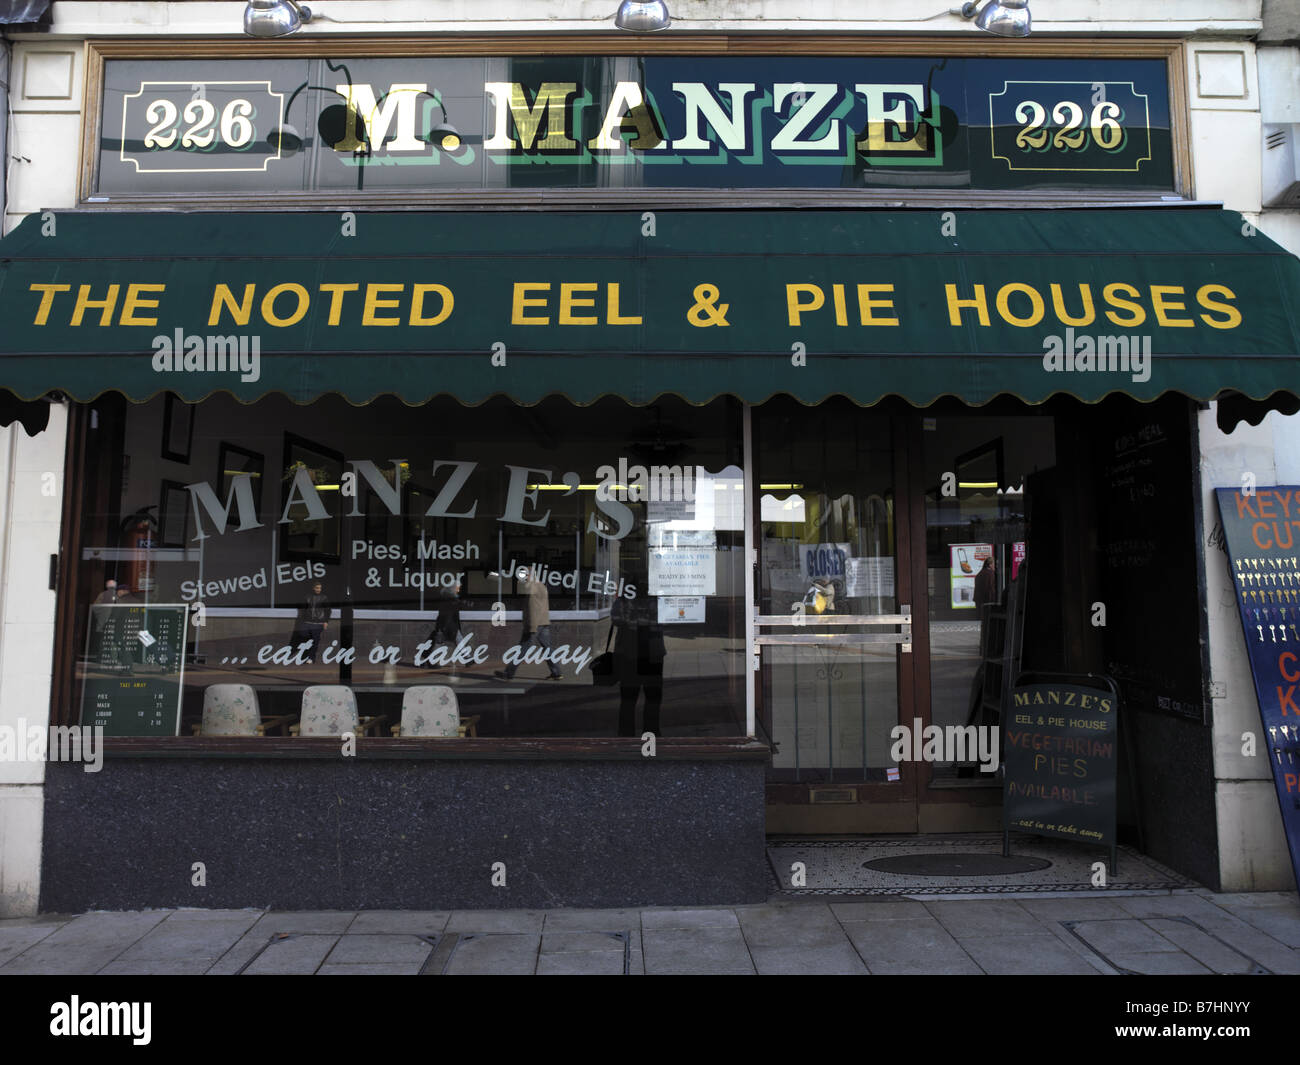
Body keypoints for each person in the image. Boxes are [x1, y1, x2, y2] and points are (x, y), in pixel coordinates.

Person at [612, 580, 665, 737]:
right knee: (653, 697)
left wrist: (632, 619)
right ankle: (652, 732)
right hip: (652, 651)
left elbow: (615, 619)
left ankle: (626, 734)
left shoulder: (623, 600)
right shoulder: (656, 600)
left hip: (629, 650)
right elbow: (665, 619)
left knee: (628, 697)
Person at [496, 567, 561, 680]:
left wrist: (531, 626)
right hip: (543, 621)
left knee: (522, 649)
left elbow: (532, 608)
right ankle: (556, 672)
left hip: (534, 624)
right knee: (547, 648)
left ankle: (508, 674)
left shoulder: (531, 587)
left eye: (523, 575)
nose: (522, 578)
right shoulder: (541, 585)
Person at [293, 581, 331, 663]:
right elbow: (303, 610)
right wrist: (302, 620)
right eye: (317, 588)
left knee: (315, 641)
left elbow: (328, 611)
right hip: (308, 622)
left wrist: (326, 621)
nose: (318, 589)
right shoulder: (307, 597)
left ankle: (311, 658)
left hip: (318, 623)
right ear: (313, 588)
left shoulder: (324, 598)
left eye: (320, 588)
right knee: (304, 638)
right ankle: (305, 656)